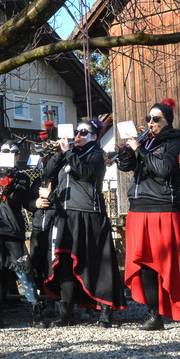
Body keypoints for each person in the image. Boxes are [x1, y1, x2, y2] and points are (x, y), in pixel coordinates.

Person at [115, 98, 180, 331]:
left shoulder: (175, 142)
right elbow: (126, 167)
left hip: (163, 208)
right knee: (145, 264)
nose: (150, 122)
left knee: (178, 263)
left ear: (167, 121)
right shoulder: (145, 142)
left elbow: (164, 169)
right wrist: (126, 153)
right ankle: (154, 314)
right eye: (148, 118)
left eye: (155, 118)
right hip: (139, 209)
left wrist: (139, 150)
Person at [37, 118, 126, 328]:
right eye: (77, 132)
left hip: (90, 215)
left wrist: (68, 153)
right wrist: (59, 153)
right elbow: (48, 173)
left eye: (83, 133)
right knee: (65, 262)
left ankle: (105, 311)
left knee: (98, 263)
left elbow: (86, 174)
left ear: (94, 136)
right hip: (66, 215)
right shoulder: (70, 154)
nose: (78, 136)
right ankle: (66, 312)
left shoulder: (97, 155)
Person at [0, 139, 38, 328]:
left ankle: (36, 314)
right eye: (5, 151)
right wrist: (0, 174)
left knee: (24, 270)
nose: (9, 154)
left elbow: (17, 200)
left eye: (14, 152)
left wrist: (10, 181)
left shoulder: (22, 177)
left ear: (18, 156)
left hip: (12, 229)